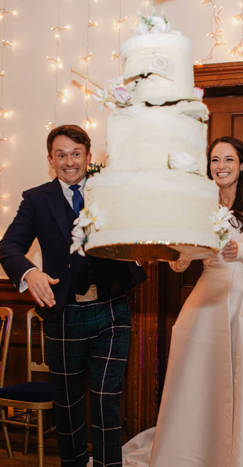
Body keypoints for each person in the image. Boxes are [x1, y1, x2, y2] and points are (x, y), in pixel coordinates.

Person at [123, 137, 243, 466]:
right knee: (199, 378)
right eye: (215, 160)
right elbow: (182, 263)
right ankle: (199, 450)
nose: (221, 166)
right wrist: (171, 252)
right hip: (206, 297)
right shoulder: (201, 203)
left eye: (228, 160)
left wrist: (241, 251)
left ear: (242, 164)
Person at [0, 124, 146, 466]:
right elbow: (8, 246)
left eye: (76, 154)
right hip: (64, 314)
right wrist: (29, 272)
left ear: (88, 156)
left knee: (106, 399)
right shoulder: (35, 200)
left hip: (112, 310)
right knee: (67, 406)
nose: (69, 162)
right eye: (61, 155)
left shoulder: (109, 191)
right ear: (51, 160)